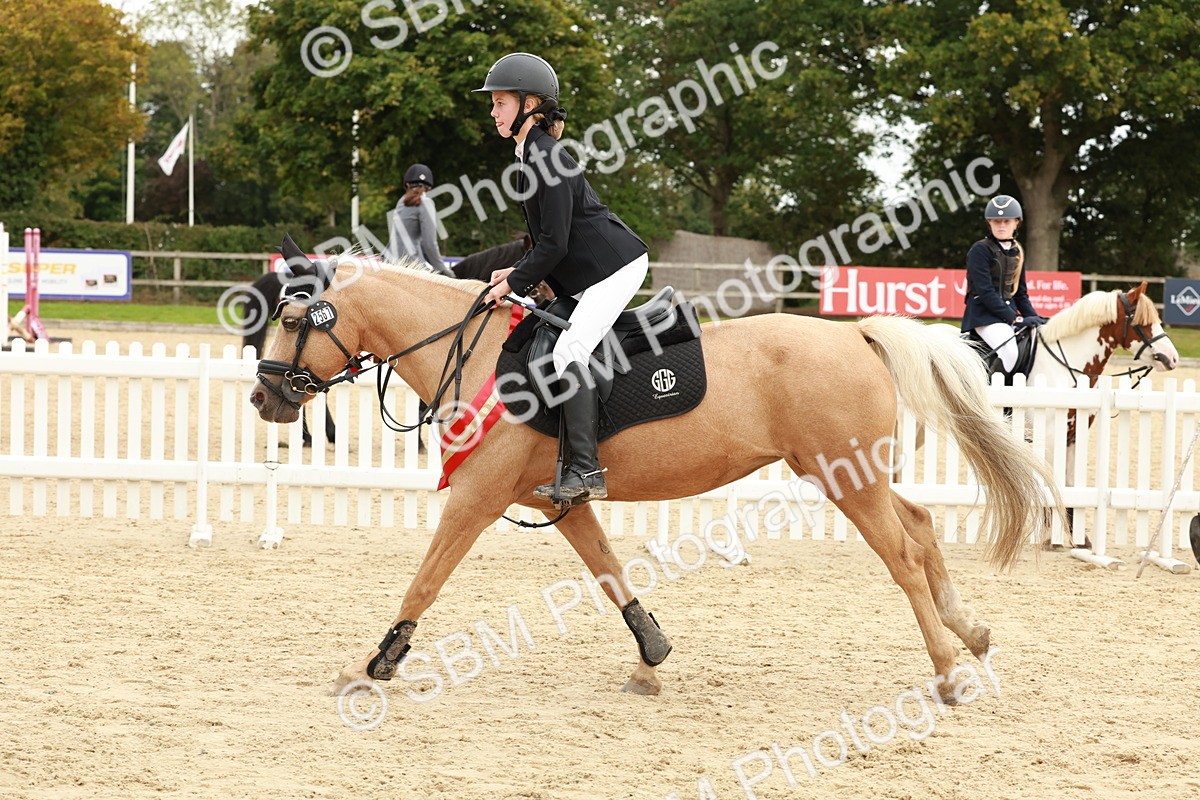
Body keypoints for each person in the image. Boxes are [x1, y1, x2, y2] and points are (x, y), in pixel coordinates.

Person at [476, 52, 649, 504]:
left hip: (615, 269)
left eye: (500, 102)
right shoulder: (529, 156)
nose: (493, 111)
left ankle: (587, 470)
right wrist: (515, 272)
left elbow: (553, 246)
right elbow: (547, 243)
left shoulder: (546, 158)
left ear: (530, 104)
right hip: (592, 272)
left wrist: (512, 285)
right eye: (492, 103)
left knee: (569, 349)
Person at [961, 194, 1047, 376]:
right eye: (996, 221)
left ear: (1016, 223)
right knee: (1009, 351)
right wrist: (1014, 318)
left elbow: (1020, 293)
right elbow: (985, 292)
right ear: (989, 223)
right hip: (983, 316)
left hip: (1006, 315)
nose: (1001, 225)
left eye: (1006, 221)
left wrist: (1034, 317)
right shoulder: (980, 250)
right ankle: (995, 396)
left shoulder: (1017, 251)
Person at [387, 163, 451, 276]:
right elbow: (429, 244)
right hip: (411, 268)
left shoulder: (401, 202)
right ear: (429, 188)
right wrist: (444, 270)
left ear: (407, 184)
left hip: (389, 264)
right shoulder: (426, 203)